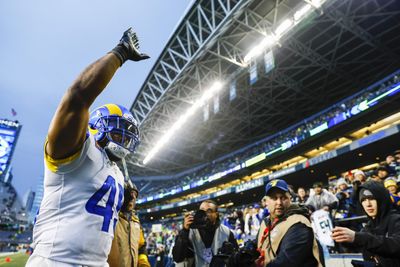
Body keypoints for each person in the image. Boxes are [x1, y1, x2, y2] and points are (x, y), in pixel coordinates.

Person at [27, 28, 149, 266]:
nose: (122, 139)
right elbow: (77, 97)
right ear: (95, 126)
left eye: (126, 135)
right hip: (56, 261)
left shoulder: (114, 171)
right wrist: (120, 53)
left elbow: (105, 237)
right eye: (116, 130)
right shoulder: (78, 150)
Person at [256, 179, 323, 267]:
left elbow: (285, 263)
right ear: (266, 201)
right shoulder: (266, 221)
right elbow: (257, 245)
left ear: (290, 199)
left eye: (283, 198)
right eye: (274, 198)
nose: (279, 202)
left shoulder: (299, 224)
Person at [331, 181, 400, 266]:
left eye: (371, 198)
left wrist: (358, 237)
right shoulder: (368, 226)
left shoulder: (396, 219)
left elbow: (395, 245)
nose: (368, 204)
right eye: (363, 200)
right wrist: (345, 240)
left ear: (382, 199)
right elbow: (360, 243)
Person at [172, 200, 238, 267]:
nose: (205, 214)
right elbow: (177, 258)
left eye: (209, 211)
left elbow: (235, 259)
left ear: (216, 215)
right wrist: (184, 231)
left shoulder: (226, 232)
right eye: (202, 211)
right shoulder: (189, 231)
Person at [108, 183, 151, 267]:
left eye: (135, 195)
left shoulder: (136, 223)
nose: (133, 198)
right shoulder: (111, 218)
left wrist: (143, 263)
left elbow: (141, 247)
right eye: (130, 194)